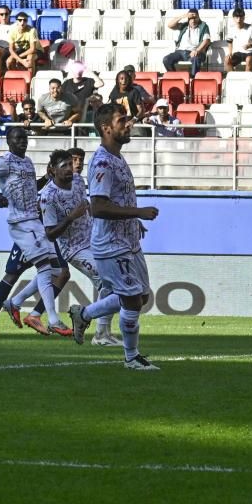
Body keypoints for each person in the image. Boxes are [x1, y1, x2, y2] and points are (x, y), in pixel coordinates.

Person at [69, 104, 162, 370]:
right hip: (111, 244)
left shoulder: (117, 157)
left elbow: (115, 201)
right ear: (106, 128)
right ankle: (131, 358)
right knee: (132, 298)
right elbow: (97, 207)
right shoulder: (102, 162)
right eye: (122, 120)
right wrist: (138, 212)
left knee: (141, 297)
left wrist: (133, 220)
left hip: (128, 241)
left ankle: (84, 313)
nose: (128, 124)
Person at [0, 127, 72, 337]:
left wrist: (47, 178)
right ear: (9, 141)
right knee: (42, 269)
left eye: (25, 138)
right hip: (21, 223)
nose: (22, 142)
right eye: (17, 138)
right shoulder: (4, 161)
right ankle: (49, 319)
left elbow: (31, 188)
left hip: (35, 222)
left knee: (55, 270)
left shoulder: (27, 162)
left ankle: (13, 305)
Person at [41, 148, 118, 346]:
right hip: (74, 249)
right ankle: (98, 330)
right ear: (52, 171)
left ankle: (102, 332)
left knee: (112, 283)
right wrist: (70, 217)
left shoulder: (78, 181)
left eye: (70, 164)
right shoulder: (48, 197)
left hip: (95, 239)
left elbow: (86, 204)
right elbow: (50, 233)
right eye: (64, 165)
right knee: (106, 280)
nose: (69, 169)